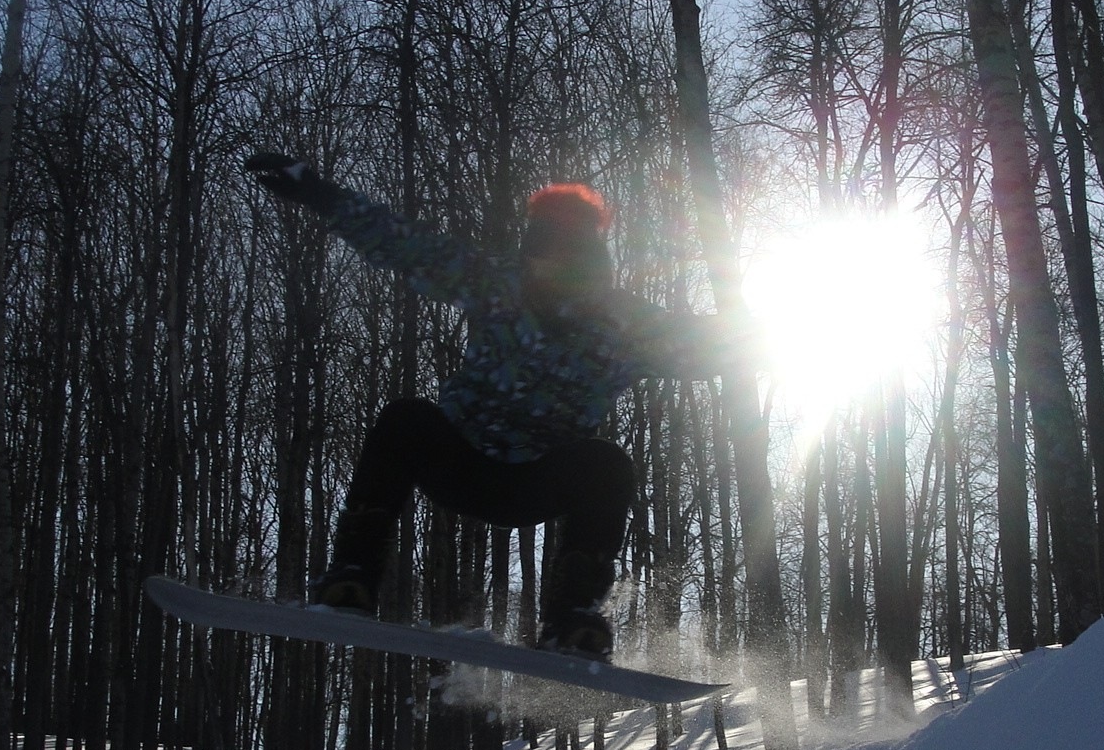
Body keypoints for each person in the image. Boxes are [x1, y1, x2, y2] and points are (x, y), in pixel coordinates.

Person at [247, 152, 755, 658]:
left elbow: (707, 346)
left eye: (559, 258)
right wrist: (320, 194)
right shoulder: (496, 285)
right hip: (462, 464)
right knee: (407, 418)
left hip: (538, 480)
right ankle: (353, 574)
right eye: (537, 255)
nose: (543, 268)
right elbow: (408, 246)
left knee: (608, 464)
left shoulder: (626, 324)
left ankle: (571, 617)